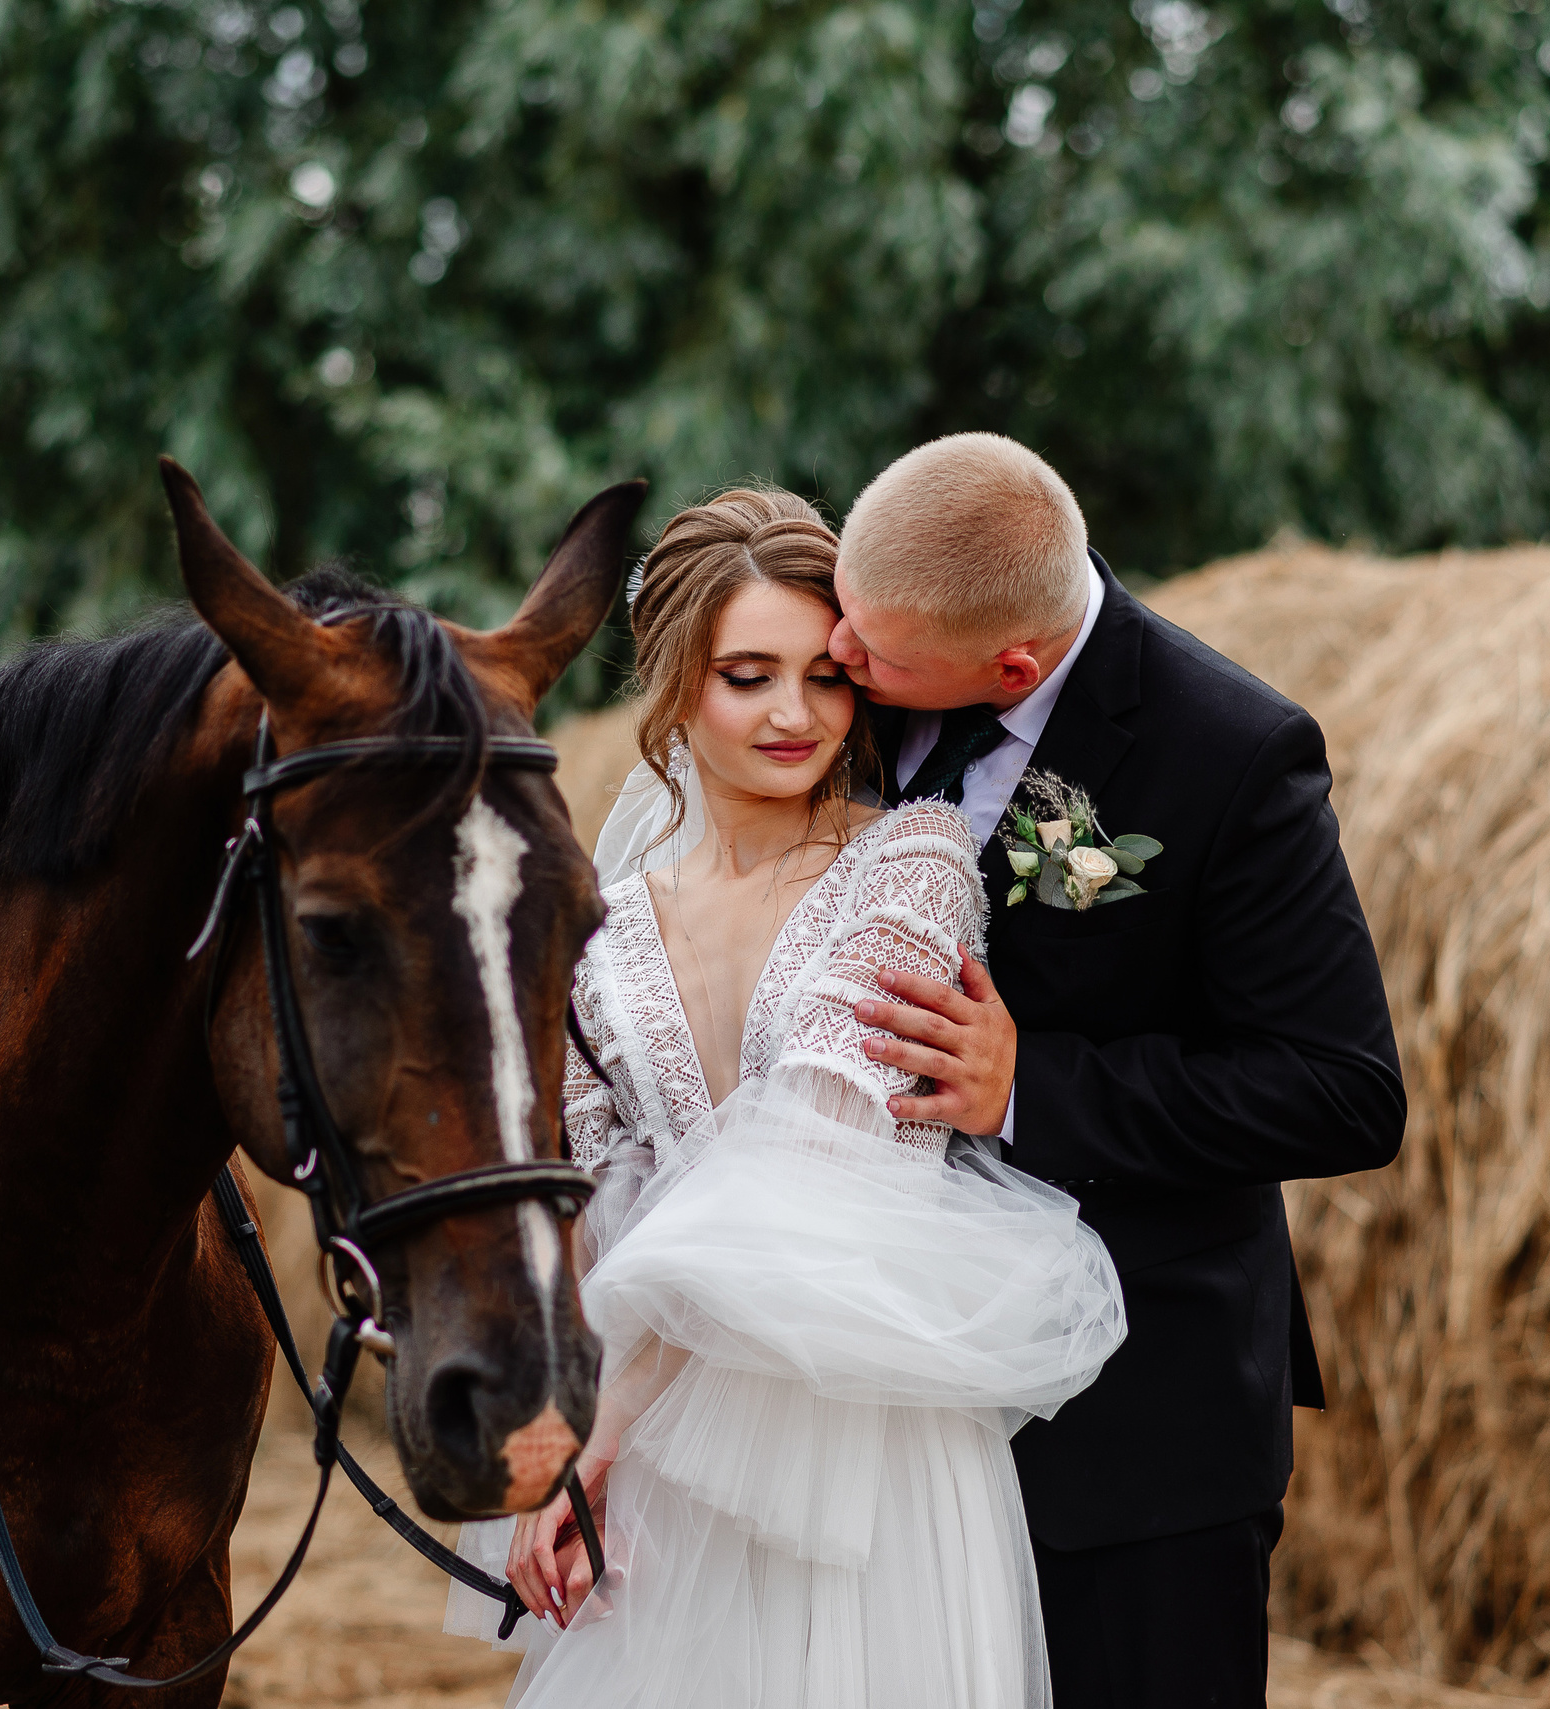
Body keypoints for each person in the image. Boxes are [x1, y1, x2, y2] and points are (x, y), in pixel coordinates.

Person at [444, 487, 1127, 1707]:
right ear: (674, 685)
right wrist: (568, 1443)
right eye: (746, 674)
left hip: (854, 1448)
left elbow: (811, 1163)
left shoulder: (910, 864)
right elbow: (604, 1205)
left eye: (823, 676)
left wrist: (597, 1445)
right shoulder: (603, 928)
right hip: (646, 1454)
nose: (793, 713)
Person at [821, 433, 1408, 1705]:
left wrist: (1033, 1085)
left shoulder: (1233, 753)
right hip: (898, 1416)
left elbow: (1343, 1085)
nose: (837, 660)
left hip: (1136, 1431)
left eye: (873, 649)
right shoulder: (860, 687)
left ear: (1013, 664)